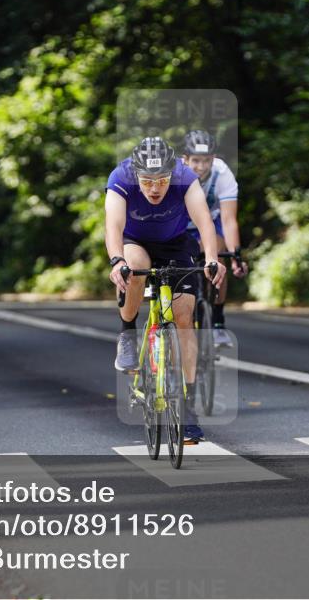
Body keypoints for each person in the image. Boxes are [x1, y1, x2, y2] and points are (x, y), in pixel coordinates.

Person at [106, 137, 226, 443]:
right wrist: (117, 260)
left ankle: (187, 407)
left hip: (175, 244)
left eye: (161, 180)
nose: (154, 188)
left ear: (172, 173)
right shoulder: (121, 177)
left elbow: (204, 222)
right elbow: (113, 226)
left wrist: (212, 259)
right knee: (135, 266)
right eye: (147, 181)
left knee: (184, 317)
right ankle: (127, 332)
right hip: (135, 242)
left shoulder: (185, 177)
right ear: (136, 174)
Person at [181, 129, 248, 348]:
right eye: (196, 161)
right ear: (185, 159)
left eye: (206, 161)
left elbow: (229, 220)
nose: (201, 167)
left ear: (214, 158)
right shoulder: (174, 174)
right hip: (180, 224)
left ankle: (218, 321)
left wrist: (236, 256)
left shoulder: (222, 173)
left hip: (210, 222)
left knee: (218, 259)